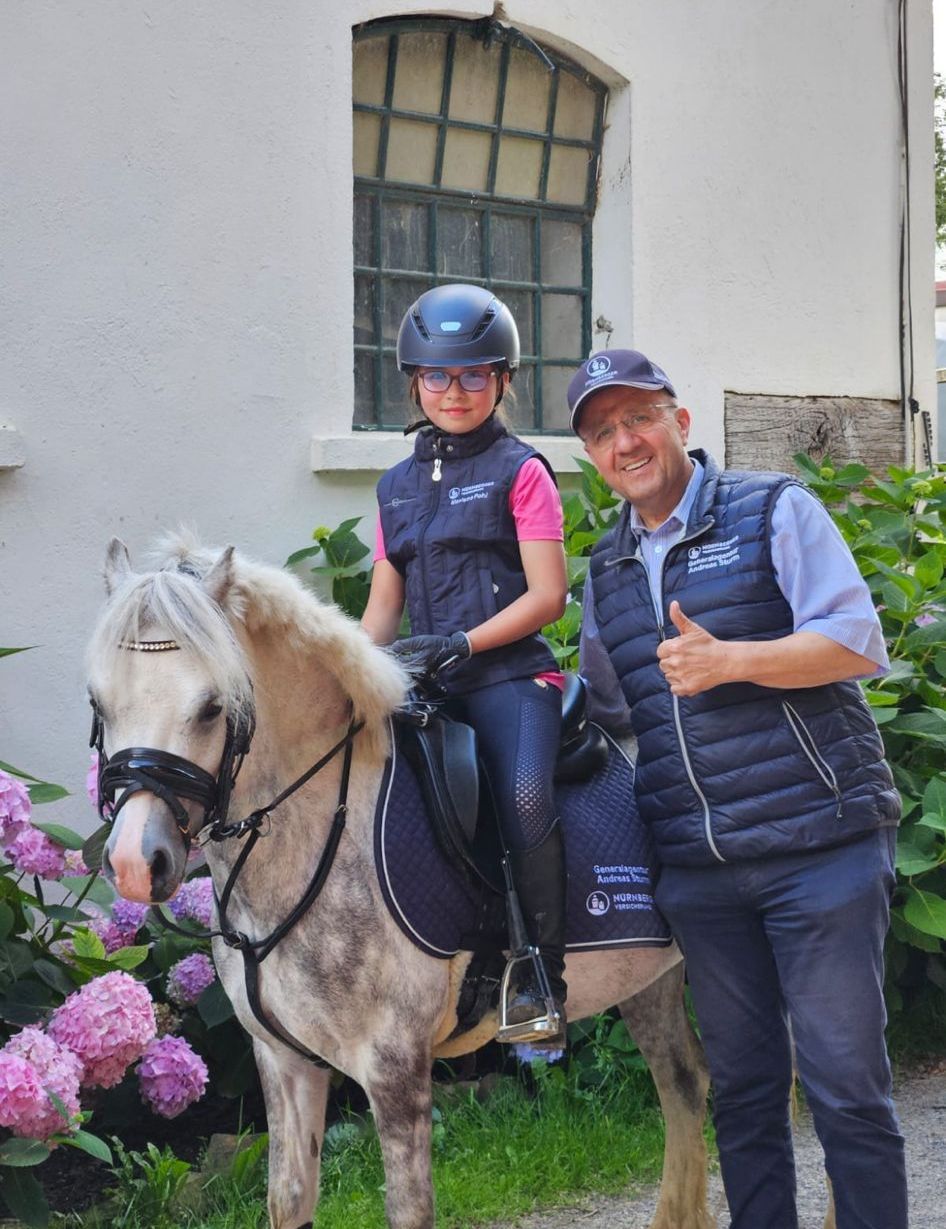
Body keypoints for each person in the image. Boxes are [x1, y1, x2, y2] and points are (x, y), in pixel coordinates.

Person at [570, 348, 907, 1229]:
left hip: (819, 847)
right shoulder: (605, 569)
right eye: (603, 431)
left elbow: (857, 638)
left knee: (846, 1088)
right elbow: (605, 707)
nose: (625, 440)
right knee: (748, 1099)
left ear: (680, 423)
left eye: (638, 416)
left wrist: (733, 661)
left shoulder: (772, 510)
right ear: (594, 459)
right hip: (703, 873)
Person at [361, 283, 569, 1046]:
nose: (455, 392)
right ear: (415, 383)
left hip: (512, 679)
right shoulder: (395, 488)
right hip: (428, 686)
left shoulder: (523, 471)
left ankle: (542, 979)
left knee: (519, 793)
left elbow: (549, 595)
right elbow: (384, 609)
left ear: (503, 380)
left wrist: (464, 642)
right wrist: (351, 671)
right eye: (438, 377)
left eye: (475, 375)